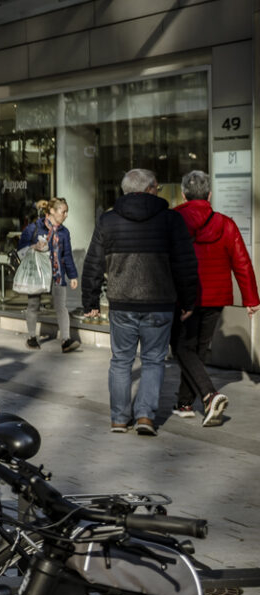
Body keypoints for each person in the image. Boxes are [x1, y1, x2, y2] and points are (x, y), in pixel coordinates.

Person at [81, 168, 200, 436]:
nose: (158, 190)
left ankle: (119, 419)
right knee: (154, 361)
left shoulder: (108, 221)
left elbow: (93, 263)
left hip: (121, 303)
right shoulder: (170, 220)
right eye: (156, 187)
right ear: (148, 188)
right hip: (159, 303)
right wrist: (189, 301)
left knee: (121, 361)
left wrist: (90, 301)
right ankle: (145, 416)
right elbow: (185, 264)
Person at [174, 169, 257, 427]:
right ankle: (185, 403)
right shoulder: (225, 223)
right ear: (209, 194)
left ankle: (209, 396)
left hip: (183, 296)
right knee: (198, 349)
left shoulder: (173, 220)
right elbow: (241, 261)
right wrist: (251, 299)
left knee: (181, 347)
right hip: (215, 296)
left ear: (184, 194)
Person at [17, 198, 81, 354]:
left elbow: (67, 256)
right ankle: (32, 337)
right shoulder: (34, 228)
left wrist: (72, 276)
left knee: (62, 307)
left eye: (67, 212)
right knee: (33, 305)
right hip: (38, 274)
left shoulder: (64, 232)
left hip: (57, 274)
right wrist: (34, 246)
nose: (66, 215)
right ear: (52, 211)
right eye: (63, 211)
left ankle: (66, 340)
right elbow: (20, 250)